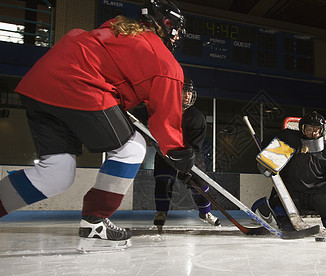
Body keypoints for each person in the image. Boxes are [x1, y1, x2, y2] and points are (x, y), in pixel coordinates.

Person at [0, 0, 194, 251]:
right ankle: (95, 220)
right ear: (166, 25)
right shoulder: (165, 62)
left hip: (40, 83)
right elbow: (166, 121)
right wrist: (178, 152)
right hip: (79, 85)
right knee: (132, 147)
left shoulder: (118, 30)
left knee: (56, 172)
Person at [153, 78, 220, 233]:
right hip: (166, 151)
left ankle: (205, 213)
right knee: (163, 180)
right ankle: (161, 211)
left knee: (200, 183)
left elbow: (195, 146)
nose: (187, 96)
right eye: (184, 92)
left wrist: (184, 167)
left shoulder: (197, 117)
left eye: (189, 93)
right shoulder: (165, 112)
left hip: (190, 153)